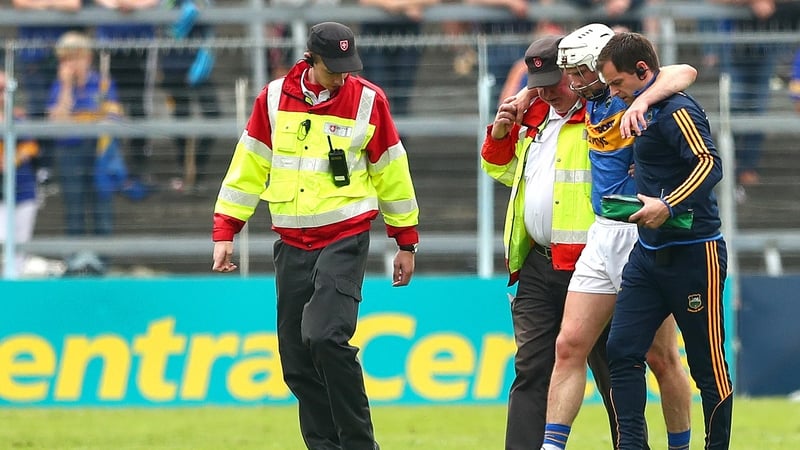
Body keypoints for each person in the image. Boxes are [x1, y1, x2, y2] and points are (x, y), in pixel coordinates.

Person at [211, 22, 419, 450]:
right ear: (311, 59)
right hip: (291, 244)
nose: (342, 76)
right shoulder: (272, 99)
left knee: (324, 336)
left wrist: (405, 241)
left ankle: (360, 444)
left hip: (345, 238)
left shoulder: (367, 100)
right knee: (296, 361)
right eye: (334, 68)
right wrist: (226, 228)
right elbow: (249, 166)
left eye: (349, 67)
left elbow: (392, 172)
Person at [534, 23, 696, 450]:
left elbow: (685, 71)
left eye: (582, 73)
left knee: (661, 358)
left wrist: (644, 96)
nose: (574, 82)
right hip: (602, 233)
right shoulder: (587, 101)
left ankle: (679, 445)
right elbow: (545, 98)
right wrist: (520, 96)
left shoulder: (628, 93)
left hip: (643, 233)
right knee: (569, 346)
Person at [481, 35, 623, 450]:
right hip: (540, 264)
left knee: (612, 372)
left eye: (554, 82)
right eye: (537, 83)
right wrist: (503, 131)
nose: (546, 91)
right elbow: (506, 173)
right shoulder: (534, 116)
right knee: (531, 370)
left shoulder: (605, 110)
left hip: (593, 262)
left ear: (578, 74)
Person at [596, 31, 732, 449]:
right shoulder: (639, 107)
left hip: (695, 254)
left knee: (707, 365)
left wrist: (667, 204)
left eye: (618, 83)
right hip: (649, 254)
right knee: (621, 350)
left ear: (641, 72)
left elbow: (710, 164)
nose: (615, 94)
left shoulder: (677, 111)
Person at [47, 31, 123, 236]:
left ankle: (101, 262)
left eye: (74, 57)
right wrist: (66, 86)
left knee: (102, 208)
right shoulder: (58, 86)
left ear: (87, 57)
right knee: (74, 209)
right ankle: (75, 262)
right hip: (69, 152)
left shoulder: (103, 84)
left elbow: (114, 118)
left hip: (99, 153)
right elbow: (57, 122)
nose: (70, 64)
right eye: (65, 59)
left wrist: (84, 120)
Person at [94, 0, 160, 181]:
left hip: (141, 46)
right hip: (109, 45)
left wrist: (132, 5)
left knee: (140, 105)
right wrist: (118, 5)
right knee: (111, 104)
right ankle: (111, 161)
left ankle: (139, 161)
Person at [159, 0, 221, 194]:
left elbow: (210, 24)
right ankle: (183, 170)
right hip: (173, 67)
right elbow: (166, 25)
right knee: (180, 118)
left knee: (214, 115)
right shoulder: (168, 4)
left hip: (200, 66)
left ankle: (198, 168)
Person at [358, 0, 441, 116]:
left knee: (402, 97)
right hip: (375, 36)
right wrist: (406, 6)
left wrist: (396, 5)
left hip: (408, 36)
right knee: (376, 95)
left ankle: (397, 133)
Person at [0, 70, 41, 275]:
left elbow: (31, 146)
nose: (2, 95)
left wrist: (12, 158)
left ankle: (13, 287)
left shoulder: (18, 118)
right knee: (2, 240)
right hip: (2, 196)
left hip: (23, 191)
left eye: (5, 90)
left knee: (20, 247)